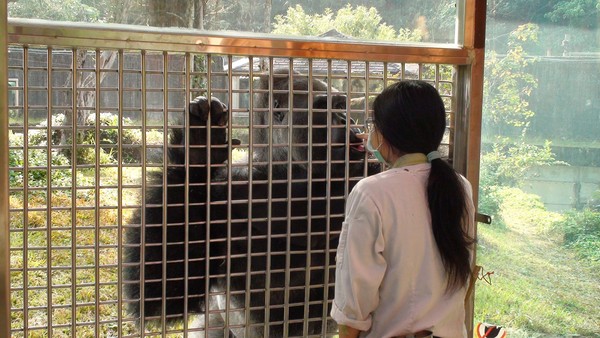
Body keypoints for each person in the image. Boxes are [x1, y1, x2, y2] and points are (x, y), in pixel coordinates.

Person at [331, 80, 476, 338]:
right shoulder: (459, 186)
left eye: (374, 126)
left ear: (386, 134)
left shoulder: (372, 192)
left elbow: (355, 299)